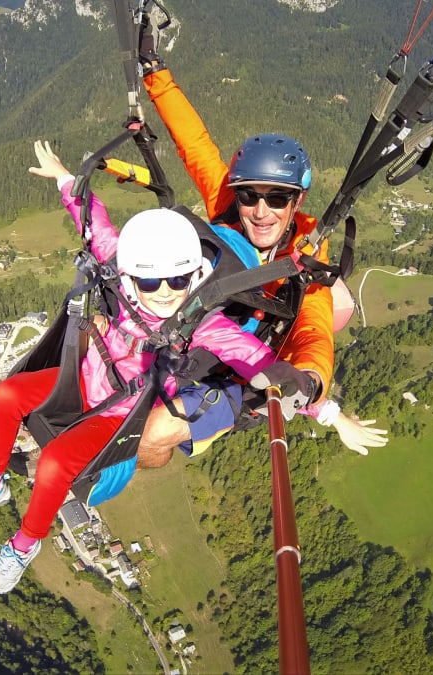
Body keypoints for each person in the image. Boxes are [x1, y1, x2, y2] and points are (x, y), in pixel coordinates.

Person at [0, 141, 314, 595]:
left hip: (119, 415)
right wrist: (64, 178)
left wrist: (310, 395)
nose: (162, 291)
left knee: (56, 463)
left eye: (176, 281)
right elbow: (95, 227)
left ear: (192, 277)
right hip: (81, 381)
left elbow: (257, 359)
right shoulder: (123, 270)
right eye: (151, 281)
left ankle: (23, 546)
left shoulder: (202, 320)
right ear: (133, 274)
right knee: (8, 394)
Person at [132, 36, 345, 468]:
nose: (261, 211)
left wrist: (312, 381)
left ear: (297, 202)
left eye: (278, 199)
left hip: (234, 377)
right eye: (250, 195)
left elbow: (314, 328)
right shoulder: (230, 210)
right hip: (187, 334)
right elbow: (194, 145)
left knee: (150, 443)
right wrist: (154, 71)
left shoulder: (305, 259)